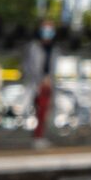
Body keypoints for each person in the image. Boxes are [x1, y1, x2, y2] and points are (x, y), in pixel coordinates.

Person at [27, 18, 60, 150]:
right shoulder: (34, 46)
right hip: (37, 83)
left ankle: (40, 136)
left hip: (48, 83)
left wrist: (49, 80)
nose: (48, 32)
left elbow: (53, 67)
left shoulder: (54, 48)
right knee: (38, 110)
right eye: (46, 28)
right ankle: (37, 137)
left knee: (45, 111)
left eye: (51, 29)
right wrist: (40, 80)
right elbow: (31, 66)